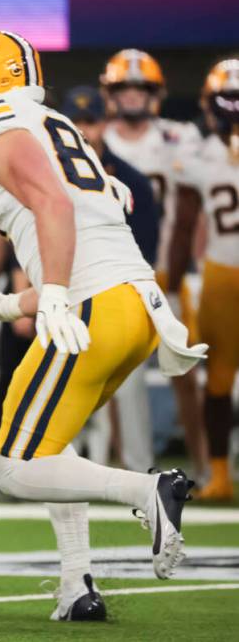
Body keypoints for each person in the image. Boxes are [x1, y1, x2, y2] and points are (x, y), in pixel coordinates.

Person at [0, 30, 204, 621]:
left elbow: (54, 208)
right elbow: (82, 231)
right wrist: (16, 304)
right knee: (54, 449)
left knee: (15, 466)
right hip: (136, 309)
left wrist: (59, 297)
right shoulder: (53, 125)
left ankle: (149, 490)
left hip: (91, 307)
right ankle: (76, 587)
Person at [101, 49, 209, 480]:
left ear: (157, 93)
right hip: (116, 273)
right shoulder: (95, 138)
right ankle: (128, 463)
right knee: (115, 375)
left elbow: (198, 202)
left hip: (167, 270)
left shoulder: (178, 137)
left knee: (187, 372)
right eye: (123, 87)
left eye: (140, 87)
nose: (131, 95)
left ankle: (205, 464)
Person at [61, 85, 160, 472]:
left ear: (105, 122)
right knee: (61, 382)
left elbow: (146, 249)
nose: (85, 130)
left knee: (129, 388)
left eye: (92, 120)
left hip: (121, 289)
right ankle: (56, 472)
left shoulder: (132, 179)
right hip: (68, 291)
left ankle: (142, 472)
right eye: (77, 121)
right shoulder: (51, 171)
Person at [170, 59, 239, 501]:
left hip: (220, 272)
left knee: (218, 380)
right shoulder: (195, 154)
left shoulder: (195, 155)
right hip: (219, 273)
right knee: (217, 379)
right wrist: (173, 283)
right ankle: (219, 474)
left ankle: (219, 473)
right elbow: (182, 223)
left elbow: (183, 225)